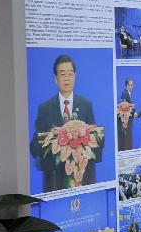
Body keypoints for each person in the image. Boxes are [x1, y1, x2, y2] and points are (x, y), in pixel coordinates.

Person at [29, 55, 103, 193]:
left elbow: (97, 139)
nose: (67, 78)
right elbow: (34, 146)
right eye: (62, 74)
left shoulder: (86, 105)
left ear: (75, 76)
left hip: (83, 177)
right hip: (54, 180)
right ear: (56, 79)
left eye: (70, 74)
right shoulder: (45, 109)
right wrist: (51, 144)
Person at [118, 78, 135, 151]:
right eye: (131, 85)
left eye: (133, 85)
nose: (132, 87)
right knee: (126, 140)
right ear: (127, 85)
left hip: (128, 120)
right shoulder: (125, 93)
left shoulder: (128, 93)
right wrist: (131, 106)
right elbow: (123, 107)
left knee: (128, 139)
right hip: (126, 121)